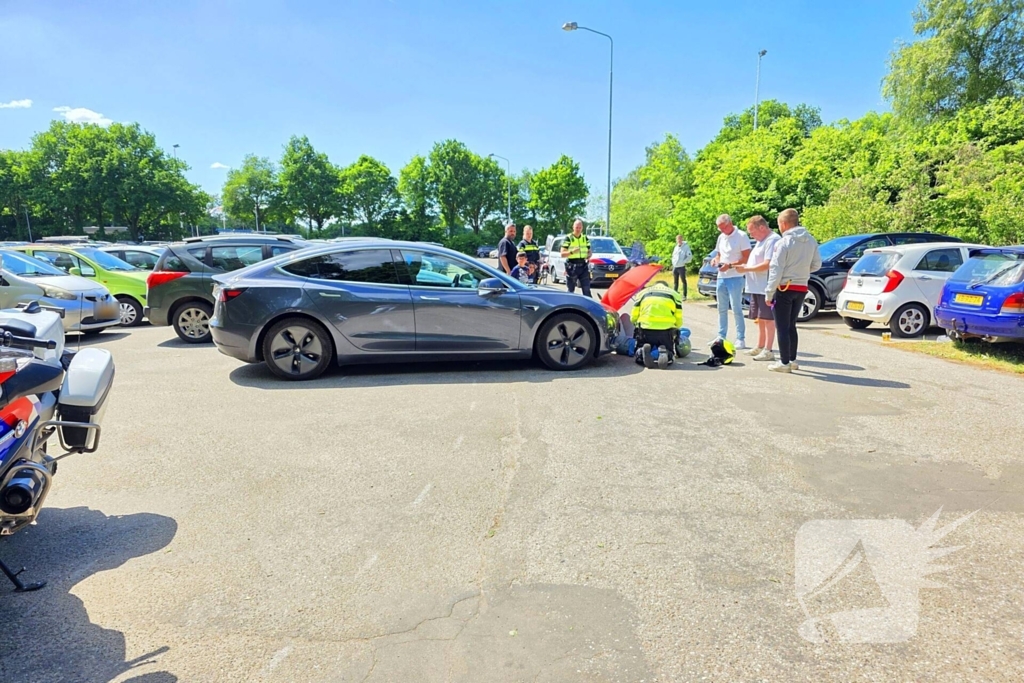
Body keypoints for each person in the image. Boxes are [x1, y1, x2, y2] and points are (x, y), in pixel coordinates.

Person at [765, 208, 822, 373]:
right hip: (802, 286)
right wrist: (801, 272)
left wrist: (769, 293)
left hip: (784, 287)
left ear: (783, 224)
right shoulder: (811, 240)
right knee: (791, 325)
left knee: (781, 326)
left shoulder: (783, 243)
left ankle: (784, 363)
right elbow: (817, 264)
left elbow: (776, 269)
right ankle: (792, 359)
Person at [734, 216, 781, 362]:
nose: (751, 235)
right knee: (760, 318)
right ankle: (760, 346)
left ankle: (768, 349)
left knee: (768, 319)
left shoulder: (772, 239)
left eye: (752, 231)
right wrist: (746, 268)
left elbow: (768, 264)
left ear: (761, 227)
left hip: (765, 287)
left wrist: (747, 268)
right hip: (756, 287)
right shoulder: (761, 241)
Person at [710, 214, 751, 349]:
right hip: (722, 276)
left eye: (723, 228)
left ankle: (741, 338)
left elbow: (746, 257)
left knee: (736, 308)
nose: (721, 231)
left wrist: (731, 265)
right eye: (719, 229)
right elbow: (719, 254)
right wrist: (716, 260)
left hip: (736, 276)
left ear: (730, 223)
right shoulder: (721, 237)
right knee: (721, 308)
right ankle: (721, 336)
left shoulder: (741, 236)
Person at [630, 279, 683, 369]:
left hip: (645, 330)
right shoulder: (674, 294)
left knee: (639, 354)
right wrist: (676, 328)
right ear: (666, 286)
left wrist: (635, 324)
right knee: (670, 355)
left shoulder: (642, 293)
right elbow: (678, 318)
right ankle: (666, 352)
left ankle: (642, 350)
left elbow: (634, 316)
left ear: (654, 285)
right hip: (666, 332)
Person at [561, 219, 592, 296]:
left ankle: (588, 307)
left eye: (580, 227)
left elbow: (589, 251)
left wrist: (589, 255)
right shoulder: (568, 238)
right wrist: (572, 252)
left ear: (582, 228)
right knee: (570, 291)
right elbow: (562, 254)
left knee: (587, 290)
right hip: (572, 266)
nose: (578, 229)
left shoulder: (585, 238)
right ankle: (569, 307)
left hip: (583, 265)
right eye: (576, 227)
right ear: (573, 227)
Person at [671, 234, 693, 299]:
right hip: (675, 266)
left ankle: (684, 295)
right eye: (678, 239)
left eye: (680, 239)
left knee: (683, 280)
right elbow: (673, 256)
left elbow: (689, 256)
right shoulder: (676, 247)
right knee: (675, 281)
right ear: (676, 240)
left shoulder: (686, 247)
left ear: (682, 239)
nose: (679, 240)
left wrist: (684, 261)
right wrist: (673, 262)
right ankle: (675, 294)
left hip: (681, 267)